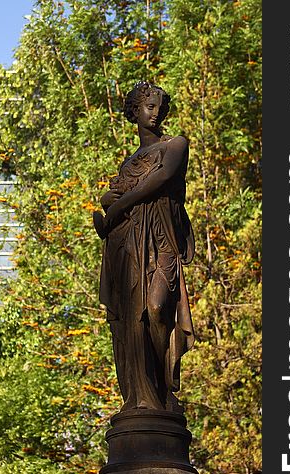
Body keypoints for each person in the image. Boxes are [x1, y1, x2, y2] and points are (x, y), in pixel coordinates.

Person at [93, 81, 195, 411]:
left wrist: (119, 206)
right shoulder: (128, 163)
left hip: (162, 239)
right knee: (131, 319)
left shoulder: (176, 145)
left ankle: (164, 388)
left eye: (161, 107)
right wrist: (110, 201)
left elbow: (161, 179)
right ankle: (141, 395)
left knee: (155, 309)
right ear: (136, 111)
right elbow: (113, 195)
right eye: (151, 106)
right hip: (130, 246)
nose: (157, 112)